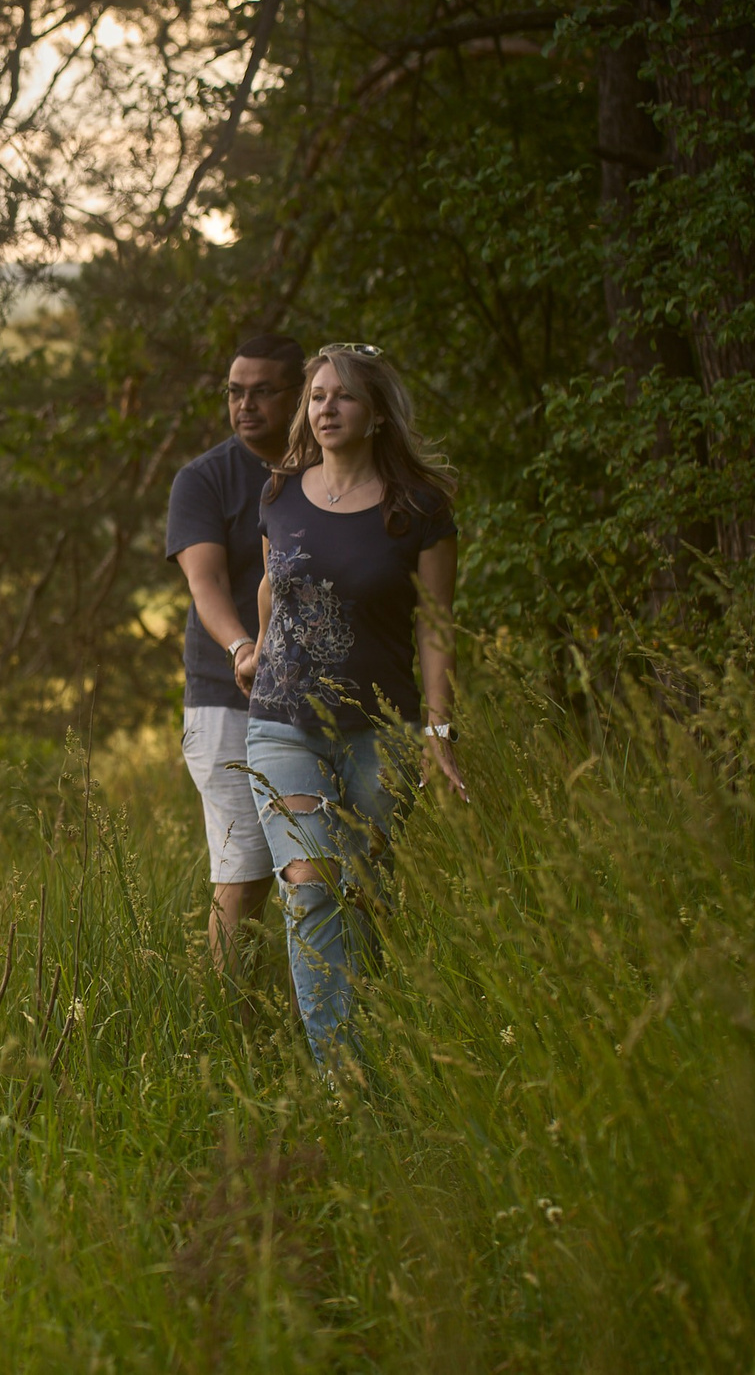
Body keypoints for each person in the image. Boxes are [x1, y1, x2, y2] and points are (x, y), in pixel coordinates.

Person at [239, 343, 462, 1067]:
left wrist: (438, 730)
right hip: (282, 724)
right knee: (310, 888)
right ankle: (345, 1083)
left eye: (342, 397)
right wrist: (261, 648)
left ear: (374, 414)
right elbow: (275, 582)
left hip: (380, 729)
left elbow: (434, 624)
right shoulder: (280, 492)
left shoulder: (419, 510)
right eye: (316, 397)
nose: (325, 409)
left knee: (365, 898)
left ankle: (382, 1038)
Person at [165, 332, 305, 982]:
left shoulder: (325, 465)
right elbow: (206, 584)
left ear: (298, 393)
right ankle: (228, 1019)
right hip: (228, 696)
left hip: (321, 693)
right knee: (245, 874)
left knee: (321, 866)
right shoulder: (204, 479)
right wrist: (243, 647)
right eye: (233, 391)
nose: (244, 404)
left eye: (261, 391)